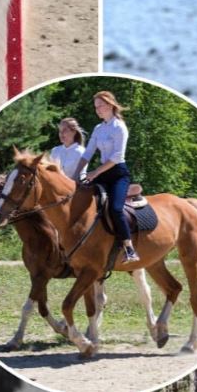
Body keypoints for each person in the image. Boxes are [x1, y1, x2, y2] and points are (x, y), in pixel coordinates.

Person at [75, 91, 140, 263]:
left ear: (110, 105)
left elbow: (117, 156)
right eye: (96, 107)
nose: (97, 110)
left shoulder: (119, 127)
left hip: (118, 174)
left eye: (100, 106)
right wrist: (76, 173)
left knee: (115, 209)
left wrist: (94, 173)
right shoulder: (98, 128)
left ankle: (129, 248)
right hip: (102, 173)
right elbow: (88, 153)